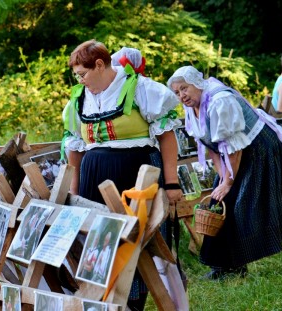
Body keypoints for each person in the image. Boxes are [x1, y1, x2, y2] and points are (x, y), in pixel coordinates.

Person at [62, 40, 183, 310]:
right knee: (99, 241)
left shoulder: (140, 89)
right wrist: (74, 191)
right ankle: (102, 301)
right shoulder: (78, 101)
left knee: (136, 239)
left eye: (83, 74)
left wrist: (172, 182)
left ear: (100, 65)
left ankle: (134, 300)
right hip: (95, 178)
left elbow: (167, 137)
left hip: (135, 175)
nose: (80, 81)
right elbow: (75, 149)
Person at [167, 65, 282, 280]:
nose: (182, 95)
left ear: (197, 84)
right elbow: (212, 147)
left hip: (258, 147)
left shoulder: (220, 102)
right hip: (235, 151)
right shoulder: (192, 107)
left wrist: (227, 183)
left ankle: (234, 267)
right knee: (220, 203)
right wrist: (222, 179)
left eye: (184, 89)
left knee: (240, 204)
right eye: (177, 92)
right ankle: (224, 267)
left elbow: (233, 148)